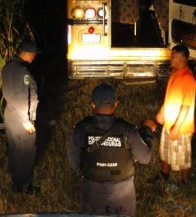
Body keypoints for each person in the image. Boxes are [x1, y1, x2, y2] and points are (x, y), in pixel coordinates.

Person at [67, 83, 156, 217]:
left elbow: (72, 157)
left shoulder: (81, 129)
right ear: (116, 104)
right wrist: (148, 131)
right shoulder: (128, 130)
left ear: (92, 104)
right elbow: (145, 158)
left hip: (92, 192)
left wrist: (86, 172)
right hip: (122, 196)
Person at [1, 40, 41, 194]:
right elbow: (22, 96)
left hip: (10, 114)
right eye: (34, 54)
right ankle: (24, 186)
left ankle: (15, 182)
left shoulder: (7, 68)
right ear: (29, 53)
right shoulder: (23, 71)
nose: (35, 57)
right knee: (26, 152)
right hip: (22, 118)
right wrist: (26, 121)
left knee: (15, 149)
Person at [154, 44, 196, 185]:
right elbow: (169, 97)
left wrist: (177, 127)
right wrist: (161, 112)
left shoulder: (188, 79)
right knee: (166, 153)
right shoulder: (174, 73)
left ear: (183, 58)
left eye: (173, 57)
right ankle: (163, 176)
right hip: (168, 123)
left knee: (183, 158)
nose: (170, 59)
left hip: (181, 128)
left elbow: (186, 106)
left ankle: (186, 182)